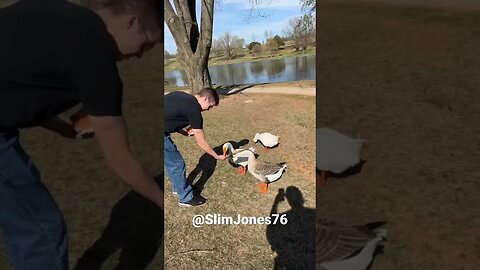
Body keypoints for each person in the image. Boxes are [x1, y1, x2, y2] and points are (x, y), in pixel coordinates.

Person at [0, 0, 164, 269]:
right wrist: (163, 203)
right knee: (40, 229)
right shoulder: (95, 53)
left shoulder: (59, 14)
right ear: (132, 22)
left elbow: (20, 86)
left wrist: (63, 128)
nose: (141, 54)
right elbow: (119, 160)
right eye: (147, 43)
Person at [164, 88, 227, 207]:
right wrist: (216, 156)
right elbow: (201, 142)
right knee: (177, 164)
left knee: (172, 162)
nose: (208, 109)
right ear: (205, 99)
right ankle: (185, 198)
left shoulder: (182, 96)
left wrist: (184, 132)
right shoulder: (194, 110)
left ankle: (178, 188)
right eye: (210, 105)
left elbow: (169, 116)